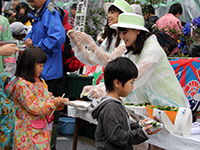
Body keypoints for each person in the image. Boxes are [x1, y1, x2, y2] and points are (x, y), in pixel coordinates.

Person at [4, 46, 68, 149]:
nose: (42, 69)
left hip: (40, 129)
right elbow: (33, 106)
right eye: (40, 65)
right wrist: (53, 103)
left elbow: (48, 98)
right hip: (25, 132)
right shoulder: (22, 85)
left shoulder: (40, 82)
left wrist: (59, 101)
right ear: (29, 64)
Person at [92, 57, 161, 150]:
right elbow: (117, 136)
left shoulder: (115, 103)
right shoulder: (110, 107)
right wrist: (142, 133)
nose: (132, 87)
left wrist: (139, 125)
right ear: (117, 83)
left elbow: (122, 128)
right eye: (131, 82)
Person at [68, 0, 133, 98]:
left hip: (122, 89)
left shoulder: (126, 40)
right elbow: (92, 59)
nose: (109, 16)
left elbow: (110, 61)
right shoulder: (110, 39)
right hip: (111, 85)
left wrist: (90, 44)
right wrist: (77, 43)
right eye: (109, 12)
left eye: (113, 12)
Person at [24, 0, 66, 149]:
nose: (30, 3)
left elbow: (57, 37)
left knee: (49, 117)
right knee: (38, 116)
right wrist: (27, 40)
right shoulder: (40, 12)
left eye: (32, 0)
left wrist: (37, 47)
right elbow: (32, 32)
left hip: (49, 74)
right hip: (38, 73)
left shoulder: (50, 11)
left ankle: (50, 145)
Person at [0, 72, 15, 150]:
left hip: (13, 134)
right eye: (9, 86)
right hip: (3, 136)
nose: (11, 88)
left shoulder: (13, 99)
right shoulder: (1, 101)